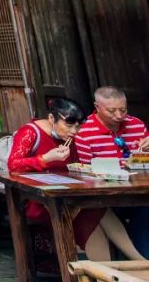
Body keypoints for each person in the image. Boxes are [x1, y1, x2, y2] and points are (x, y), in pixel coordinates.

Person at [9, 97, 143, 262]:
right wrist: (45, 159)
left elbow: (74, 165)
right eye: (69, 125)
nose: (74, 131)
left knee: (100, 210)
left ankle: (138, 263)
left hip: (65, 195)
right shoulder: (30, 132)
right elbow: (13, 165)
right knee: (90, 220)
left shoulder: (68, 137)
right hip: (39, 200)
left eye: (78, 126)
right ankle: (116, 270)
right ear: (52, 119)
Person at [74, 86, 149, 256]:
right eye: (112, 111)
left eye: (123, 110)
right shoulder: (84, 133)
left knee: (145, 209)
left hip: (138, 192)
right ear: (97, 107)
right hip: (105, 196)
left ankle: (143, 263)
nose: (119, 116)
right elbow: (86, 172)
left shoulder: (136, 124)